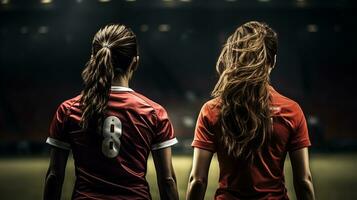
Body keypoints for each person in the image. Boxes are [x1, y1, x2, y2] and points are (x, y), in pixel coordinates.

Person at [44, 24, 179, 200]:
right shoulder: (154, 113)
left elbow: (54, 176)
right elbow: (167, 180)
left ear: (94, 59)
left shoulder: (68, 110)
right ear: (135, 62)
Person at [186, 21, 315, 200]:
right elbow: (303, 181)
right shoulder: (291, 111)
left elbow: (197, 180)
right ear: (273, 60)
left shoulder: (212, 110)